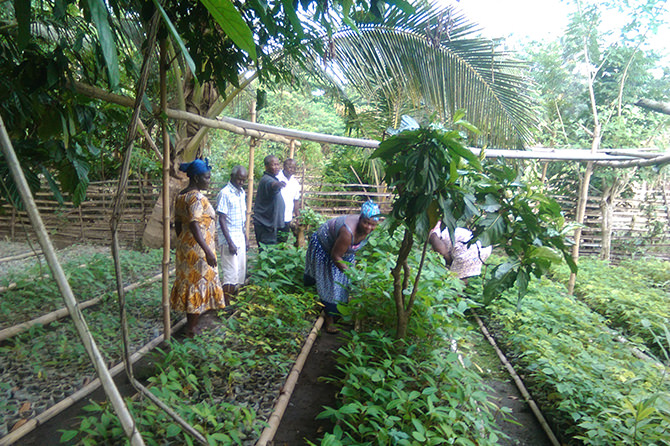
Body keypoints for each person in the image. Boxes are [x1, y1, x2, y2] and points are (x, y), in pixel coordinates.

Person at [304, 200, 380, 333]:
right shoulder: (347, 231)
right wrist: (351, 273)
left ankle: (338, 311)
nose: (369, 227)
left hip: (344, 252)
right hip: (327, 248)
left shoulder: (368, 230)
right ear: (360, 218)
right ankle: (329, 320)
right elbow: (336, 256)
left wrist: (351, 273)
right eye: (366, 223)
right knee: (330, 284)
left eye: (373, 224)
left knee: (345, 284)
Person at [170, 158, 225, 337]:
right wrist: (207, 250)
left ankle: (191, 324)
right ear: (195, 178)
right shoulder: (196, 197)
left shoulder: (180, 196)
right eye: (206, 178)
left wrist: (183, 243)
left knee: (190, 283)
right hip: (199, 250)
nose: (208, 181)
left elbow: (178, 224)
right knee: (197, 283)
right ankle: (192, 328)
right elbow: (194, 224)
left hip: (186, 247)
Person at [216, 165, 248, 306]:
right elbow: (222, 219)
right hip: (229, 236)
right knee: (230, 273)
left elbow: (242, 218)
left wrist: (245, 237)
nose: (241, 182)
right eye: (239, 179)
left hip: (239, 234)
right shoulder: (225, 193)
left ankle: (235, 301)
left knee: (240, 270)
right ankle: (225, 304)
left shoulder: (241, 193)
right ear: (232, 177)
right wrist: (230, 242)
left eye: (243, 180)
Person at [253, 155, 286, 248]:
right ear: (266, 167)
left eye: (278, 164)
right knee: (268, 253)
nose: (277, 167)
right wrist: (278, 185)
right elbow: (272, 186)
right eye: (274, 165)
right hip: (265, 226)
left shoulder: (271, 178)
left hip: (270, 225)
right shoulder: (267, 180)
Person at [276, 158, 301, 243]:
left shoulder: (295, 183)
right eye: (289, 167)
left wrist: (298, 217)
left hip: (287, 218)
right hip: (274, 217)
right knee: (272, 242)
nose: (291, 170)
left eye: (294, 168)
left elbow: (296, 201)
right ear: (284, 166)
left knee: (282, 242)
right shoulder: (277, 178)